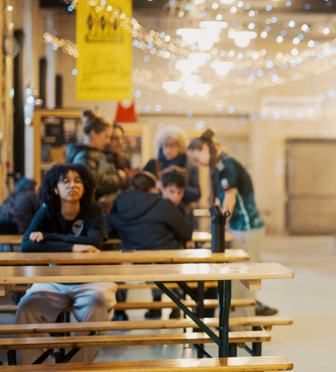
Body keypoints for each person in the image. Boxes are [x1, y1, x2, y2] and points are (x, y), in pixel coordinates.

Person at [15, 164, 115, 372]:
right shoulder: (46, 211)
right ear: (55, 188)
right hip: (54, 278)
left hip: (91, 279)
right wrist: (73, 246)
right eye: (66, 181)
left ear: (85, 186)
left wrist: (48, 238)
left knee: (99, 303)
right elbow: (27, 245)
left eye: (78, 181)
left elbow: (95, 242)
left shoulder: (92, 209)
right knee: (27, 308)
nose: (72, 186)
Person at [187, 129, 278, 317]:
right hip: (239, 228)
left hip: (247, 227)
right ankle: (238, 319)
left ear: (205, 149)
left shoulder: (227, 166)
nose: (198, 164)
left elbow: (230, 199)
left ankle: (245, 320)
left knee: (246, 276)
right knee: (238, 277)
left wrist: (220, 229)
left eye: (197, 159)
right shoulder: (219, 167)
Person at [108, 169, 193, 319]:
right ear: (155, 189)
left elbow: (109, 229)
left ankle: (122, 311)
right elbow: (186, 232)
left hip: (135, 261)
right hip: (167, 259)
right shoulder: (164, 205)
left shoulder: (118, 204)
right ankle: (178, 305)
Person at [65, 109, 127, 203]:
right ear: (93, 134)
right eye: (106, 136)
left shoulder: (94, 154)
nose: (108, 141)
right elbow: (93, 183)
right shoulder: (84, 156)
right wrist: (119, 177)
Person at [143, 126, 202, 208]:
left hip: (181, 212)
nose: (168, 150)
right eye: (165, 146)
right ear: (161, 146)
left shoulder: (189, 166)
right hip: (156, 210)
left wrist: (178, 188)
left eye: (172, 146)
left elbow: (197, 194)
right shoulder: (153, 164)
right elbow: (140, 189)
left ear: (180, 146)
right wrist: (154, 187)